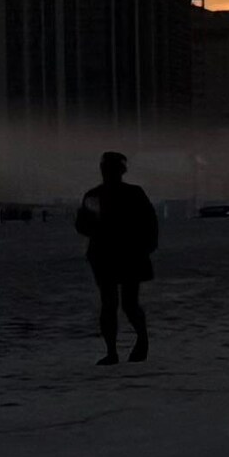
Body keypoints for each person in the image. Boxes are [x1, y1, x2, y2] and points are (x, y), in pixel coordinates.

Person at [75, 151, 156, 365]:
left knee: (116, 303)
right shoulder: (131, 193)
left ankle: (116, 350)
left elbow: (82, 226)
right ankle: (132, 344)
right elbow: (150, 223)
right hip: (123, 254)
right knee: (123, 303)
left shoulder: (97, 195)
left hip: (113, 254)